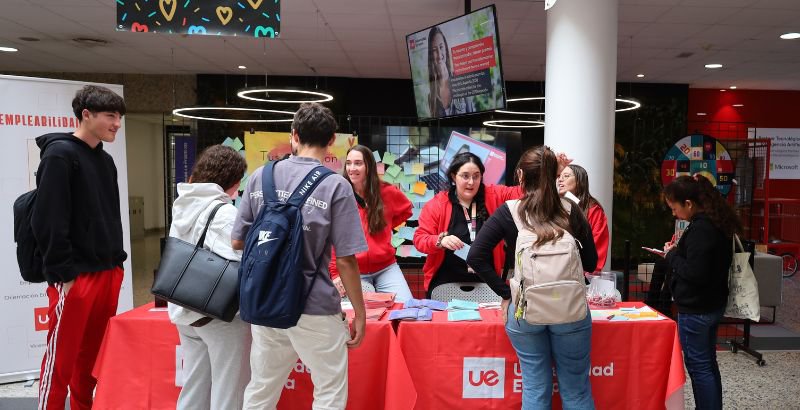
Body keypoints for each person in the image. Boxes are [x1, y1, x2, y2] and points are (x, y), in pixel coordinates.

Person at [232, 103, 368, 409]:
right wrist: (359, 312)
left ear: (294, 136)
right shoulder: (335, 185)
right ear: (332, 140)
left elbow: (238, 241)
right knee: (329, 391)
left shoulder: (260, 177)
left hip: (265, 301)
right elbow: (346, 258)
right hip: (314, 305)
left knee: (262, 387)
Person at [467, 146, 597, 409]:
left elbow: (475, 257)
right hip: (571, 308)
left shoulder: (509, 211)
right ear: (554, 175)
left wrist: (506, 294)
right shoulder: (571, 209)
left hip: (525, 310)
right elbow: (591, 262)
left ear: (520, 176)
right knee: (577, 391)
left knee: (536, 386)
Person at [32, 85, 127, 410]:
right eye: (110, 116)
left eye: (119, 117)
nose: (116, 123)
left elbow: (108, 216)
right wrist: (64, 272)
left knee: (90, 361)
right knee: (61, 361)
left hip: (107, 271)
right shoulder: (60, 155)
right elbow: (47, 219)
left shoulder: (105, 161)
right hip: (76, 275)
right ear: (86, 115)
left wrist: (117, 263)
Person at [167, 145, 251, 410]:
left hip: (185, 307)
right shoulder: (224, 214)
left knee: (195, 388)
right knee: (230, 392)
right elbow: (244, 260)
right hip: (219, 317)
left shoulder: (184, 203)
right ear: (234, 181)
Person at [663, 175, 740, 410]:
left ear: (688, 203)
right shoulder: (717, 222)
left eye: (674, 208)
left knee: (699, 367)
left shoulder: (701, 229)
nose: (674, 214)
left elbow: (695, 272)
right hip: (712, 304)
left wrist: (672, 255)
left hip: (696, 308)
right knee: (707, 364)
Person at [413, 152, 521, 298]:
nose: (471, 182)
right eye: (465, 176)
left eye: (476, 176)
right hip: (445, 281)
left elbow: (525, 192)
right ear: (453, 176)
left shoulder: (495, 195)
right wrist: (440, 241)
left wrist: (553, 170)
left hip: (487, 281)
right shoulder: (437, 204)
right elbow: (419, 239)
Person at [330, 145, 414, 302]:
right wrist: (335, 274)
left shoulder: (387, 191)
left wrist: (385, 223)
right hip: (353, 270)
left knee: (406, 309)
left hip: (386, 268)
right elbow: (334, 240)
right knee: (357, 316)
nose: (352, 168)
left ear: (369, 166)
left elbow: (407, 210)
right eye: (348, 163)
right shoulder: (339, 195)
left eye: (358, 163)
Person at [558, 164, 609, 272]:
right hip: (558, 272)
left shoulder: (593, 210)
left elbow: (597, 248)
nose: (560, 179)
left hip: (582, 275)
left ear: (579, 181)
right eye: (559, 176)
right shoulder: (557, 207)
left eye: (566, 176)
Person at [427, 26, 474, 117]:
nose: (439, 54)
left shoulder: (462, 83)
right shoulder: (431, 97)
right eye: (434, 50)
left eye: (441, 47)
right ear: (431, 55)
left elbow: (472, 116)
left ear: (445, 47)